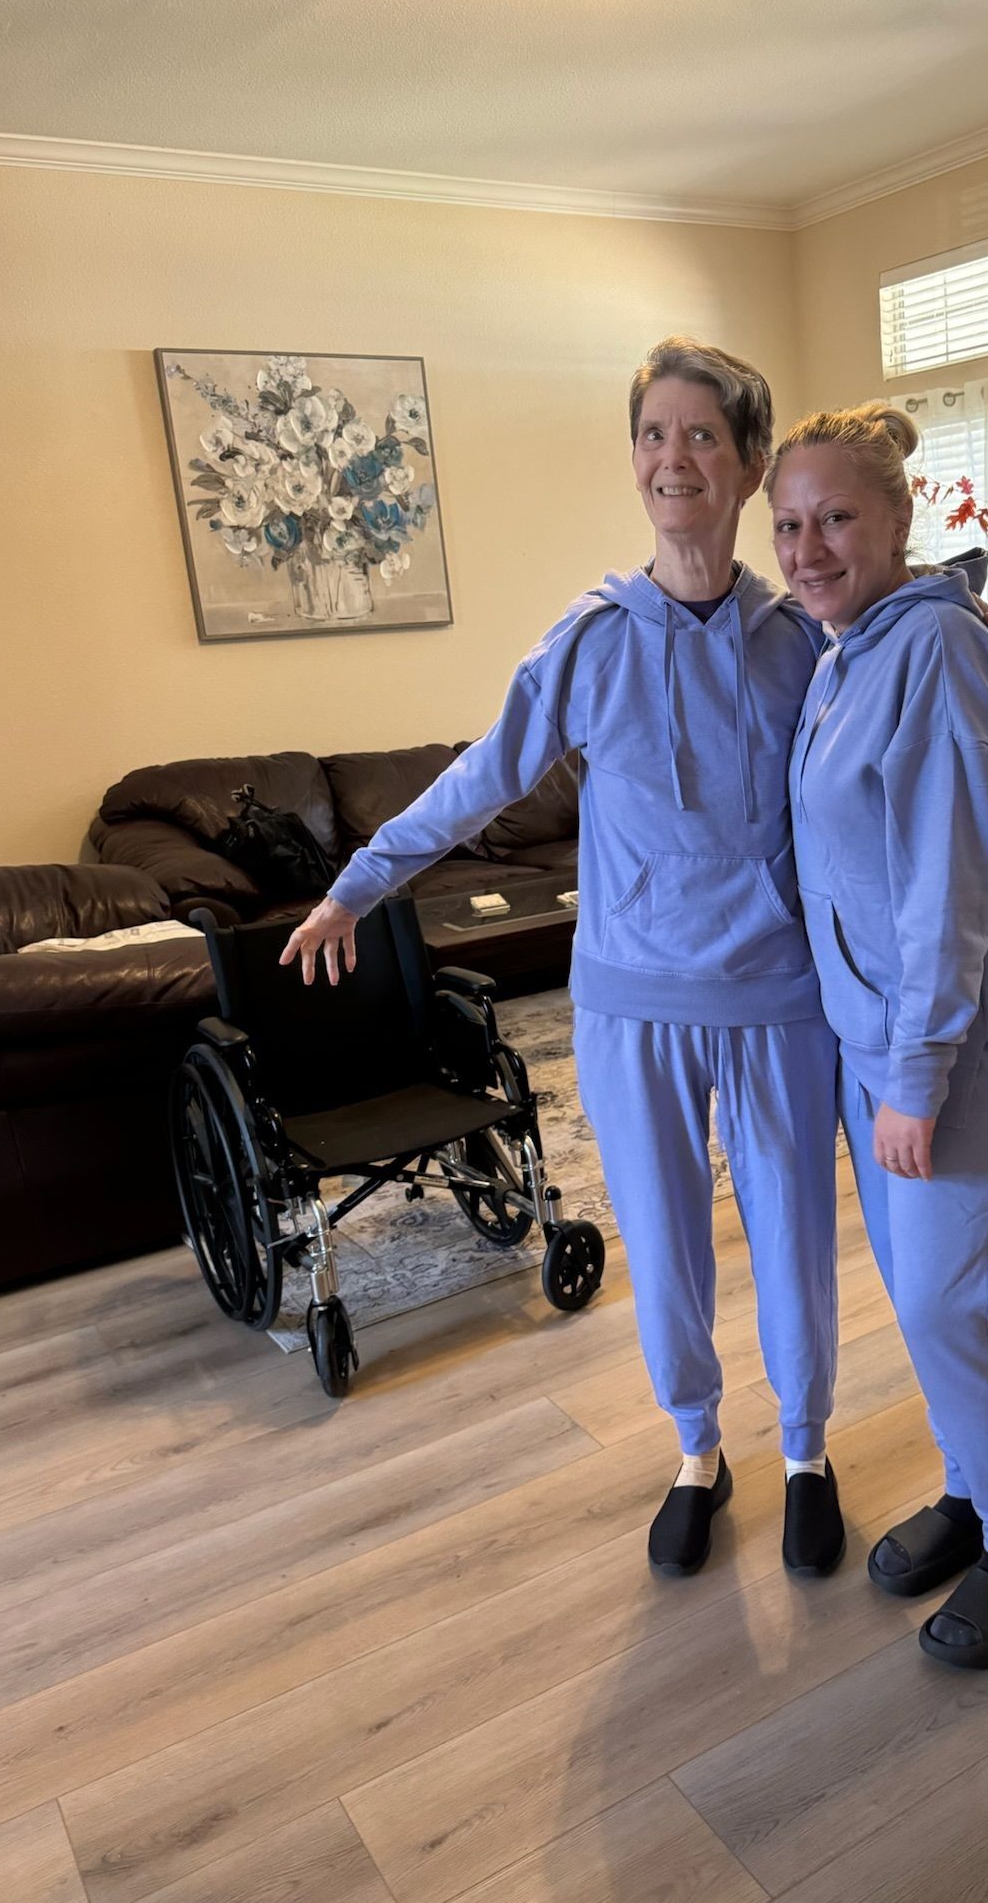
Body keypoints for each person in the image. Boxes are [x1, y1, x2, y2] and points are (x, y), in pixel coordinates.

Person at [280, 337, 845, 1582]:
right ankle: (698, 1450)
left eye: (701, 435)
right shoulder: (589, 640)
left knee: (797, 1235)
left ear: (750, 464)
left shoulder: (803, 638)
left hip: (779, 1000)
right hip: (633, 1003)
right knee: (664, 1238)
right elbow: (476, 784)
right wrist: (358, 884)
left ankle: (807, 1450)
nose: (672, 458)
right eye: (652, 435)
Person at [767, 403, 988, 1670]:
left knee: (958, 1305)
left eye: (837, 517)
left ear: (899, 518)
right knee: (927, 1303)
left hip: (964, 1050)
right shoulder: (844, 650)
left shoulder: (940, 653)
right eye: (788, 524)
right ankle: (971, 1485)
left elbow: (947, 891)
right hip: (880, 1042)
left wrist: (916, 1073)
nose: (808, 547)